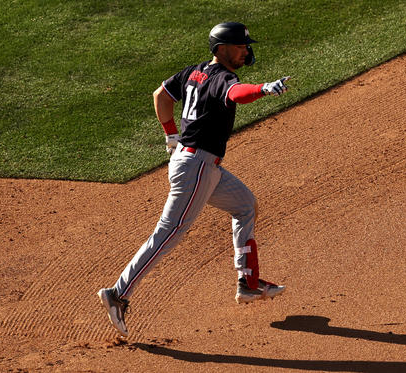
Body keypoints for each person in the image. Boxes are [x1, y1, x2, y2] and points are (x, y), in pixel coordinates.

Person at [97, 22, 290, 337]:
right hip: (197, 167)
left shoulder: (193, 72)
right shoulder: (224, 78)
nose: (246, 50)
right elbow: (236, 93)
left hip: (196, 164)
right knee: (169, 233)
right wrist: (263, 88)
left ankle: (248, 283)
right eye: (240, 46)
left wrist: (170, 133)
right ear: (222, 49)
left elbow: (161, 95)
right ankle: (118, 293)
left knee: (244, 205)